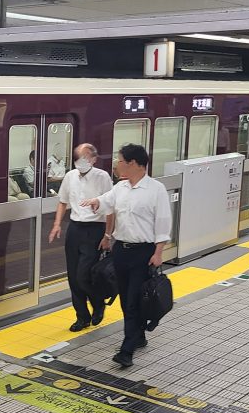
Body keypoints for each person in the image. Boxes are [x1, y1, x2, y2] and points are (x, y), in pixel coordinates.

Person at [83, 144, 172, 369]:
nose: (117, 164)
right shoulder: (121, 187)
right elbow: (107, 200)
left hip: (144, 253)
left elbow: (163, 222)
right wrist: (96, 202)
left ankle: (127, 350)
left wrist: (159, 252)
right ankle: (139, 335)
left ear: (133, 163)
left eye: (120, 160)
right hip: (121, 251)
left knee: (133, 300)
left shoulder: (155, 189)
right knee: (126, 300)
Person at [49, 144, 114, 332]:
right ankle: (82, 316)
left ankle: (98, 303)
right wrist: (56, 224)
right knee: (72, 277)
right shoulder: (70, 176)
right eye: (78, 158)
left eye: (85, 158)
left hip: (95, 230)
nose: (81, 162)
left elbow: (110, 209)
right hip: (75, 228)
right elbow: (63, 202)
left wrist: (108, 235)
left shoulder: (103, 177)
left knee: (83, 275)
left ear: (94, 159)